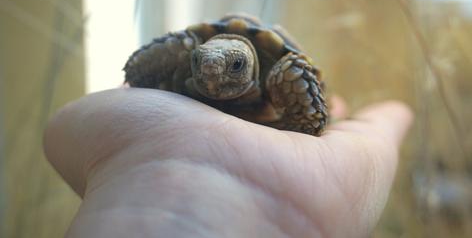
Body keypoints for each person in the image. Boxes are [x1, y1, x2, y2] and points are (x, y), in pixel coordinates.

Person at [44, 88, 413, 238]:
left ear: (252, 66)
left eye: (234, 67)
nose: (213, 75)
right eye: (200, 64)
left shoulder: (278, 70)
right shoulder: (201, 59)